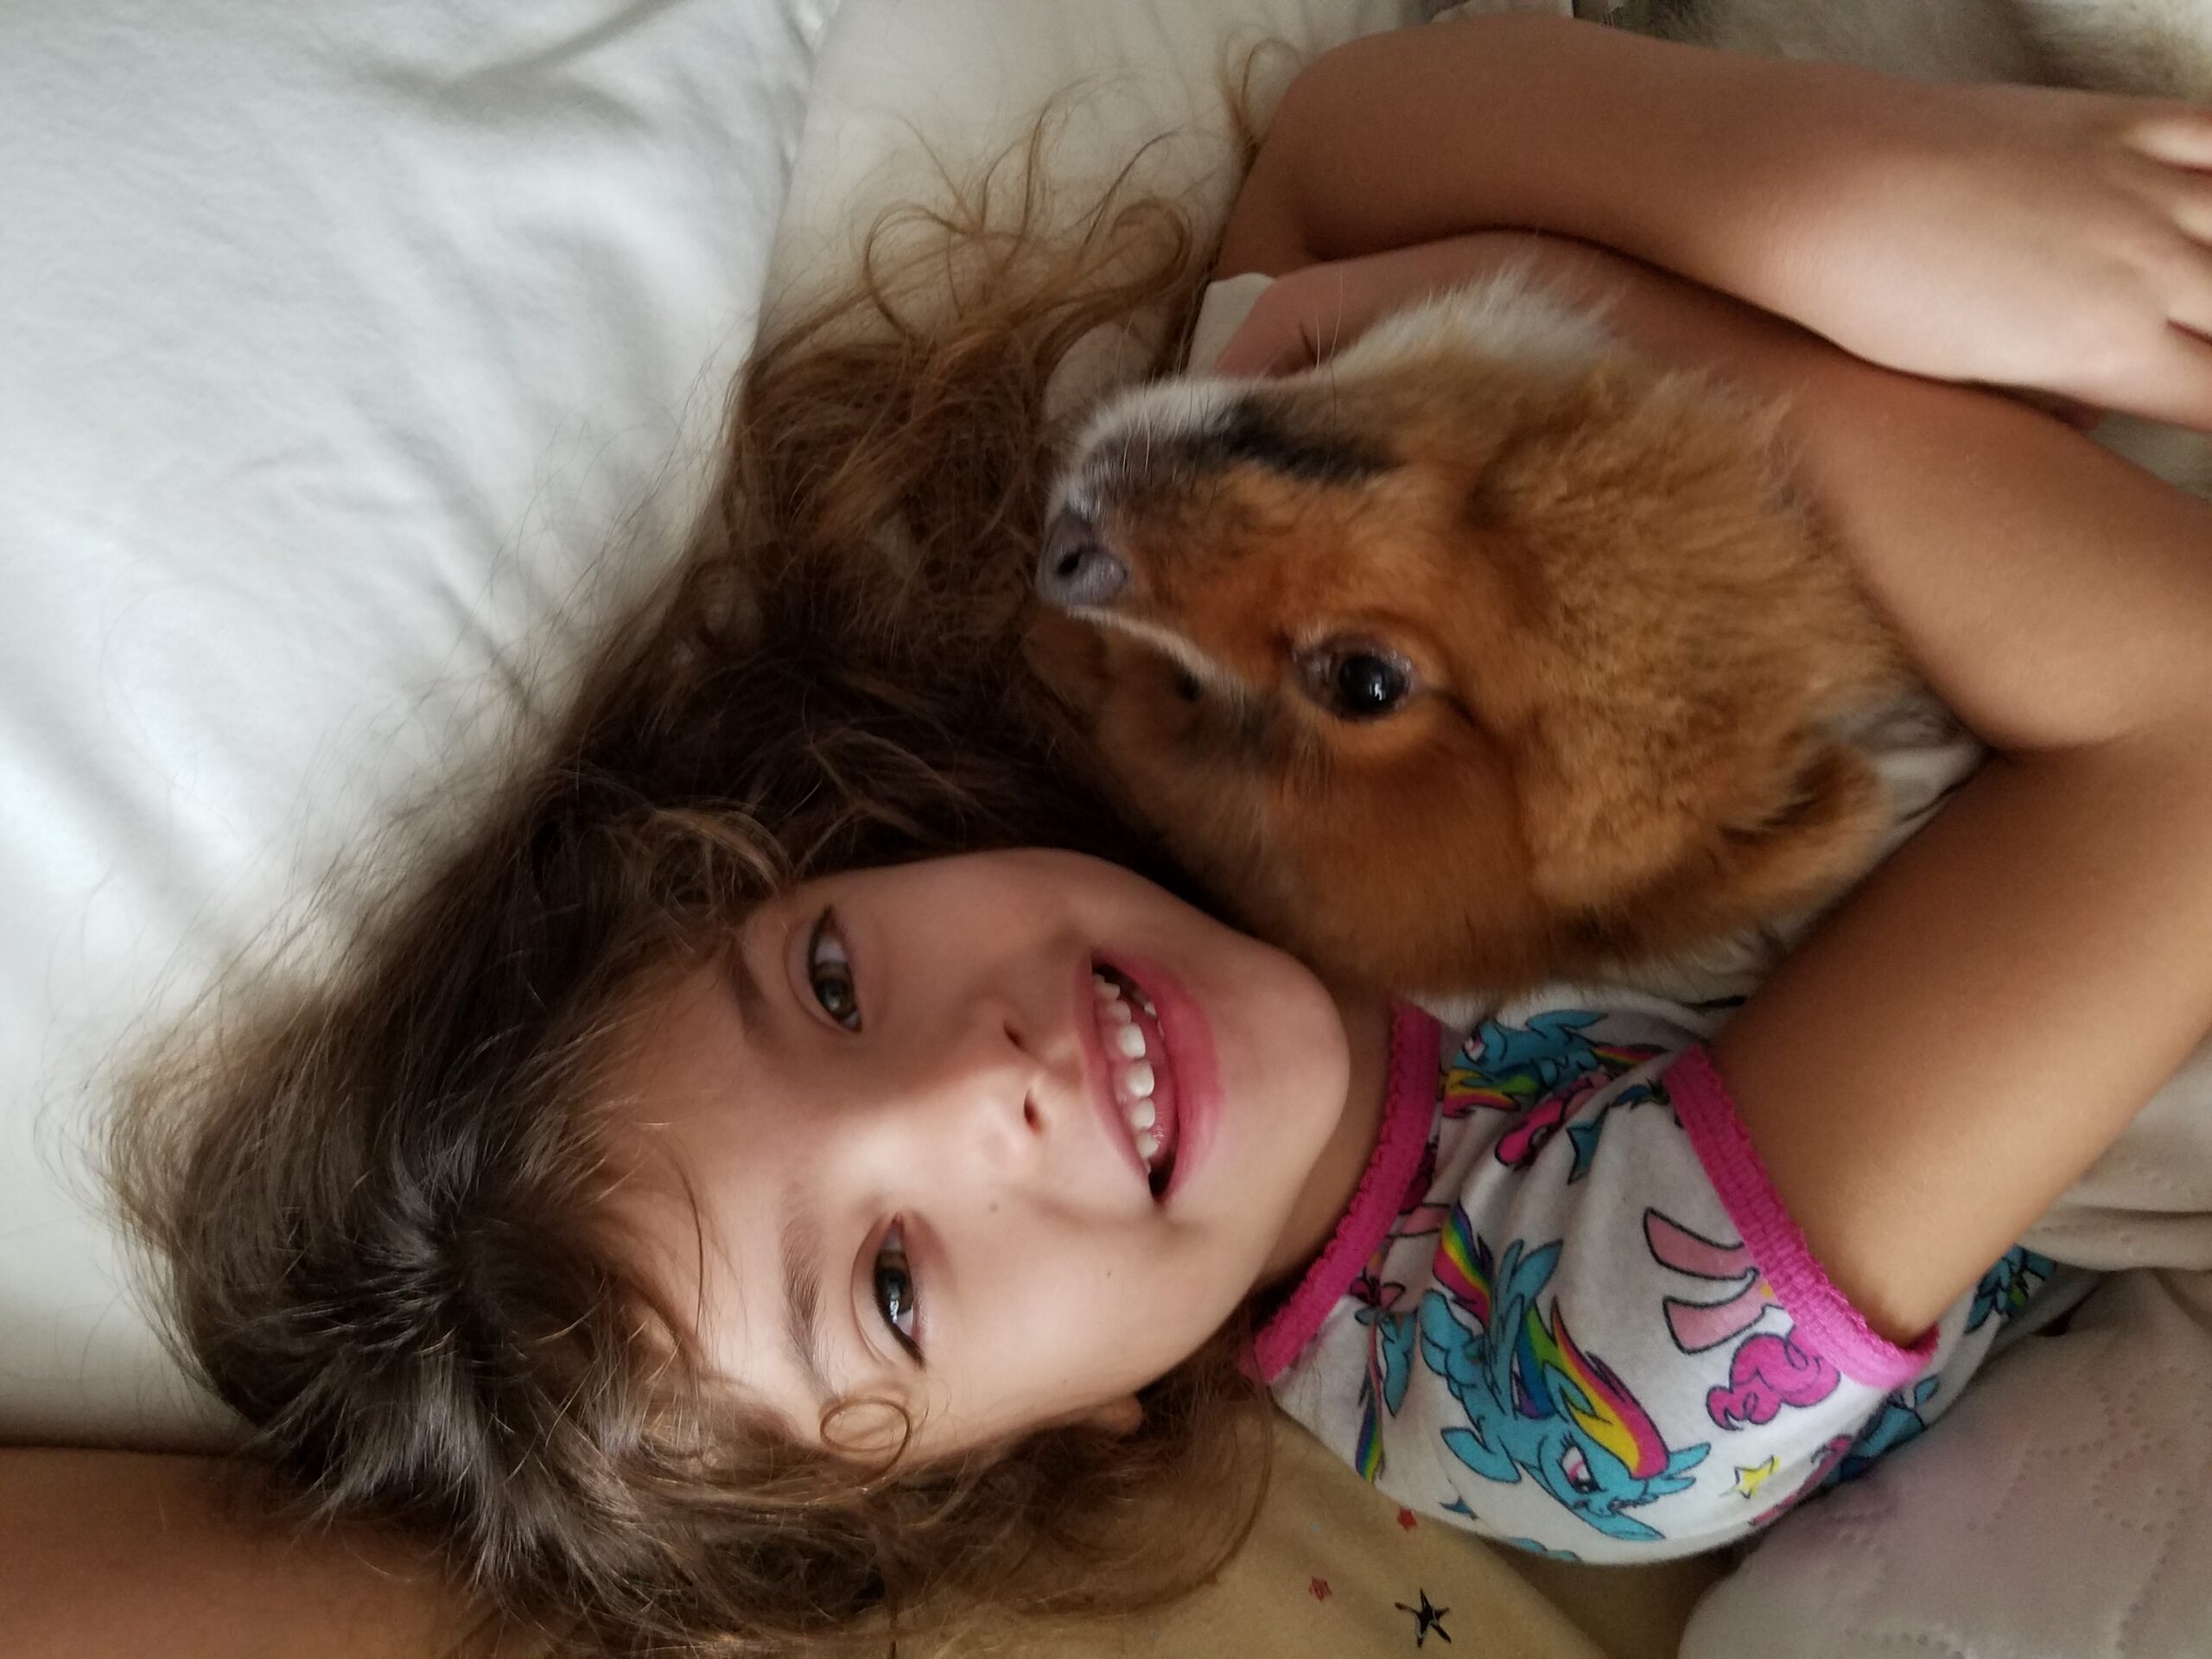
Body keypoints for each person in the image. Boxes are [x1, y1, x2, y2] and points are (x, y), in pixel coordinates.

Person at [97, 13, 2212, 1657]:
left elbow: (1335, 149)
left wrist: (1837, 197)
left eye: (830, 982)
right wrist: (1547, 298)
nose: (970, 1084)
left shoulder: (1135, 709)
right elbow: (2183, 729)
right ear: (1030, 1452)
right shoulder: (1573, 1369)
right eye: (899, 1291)